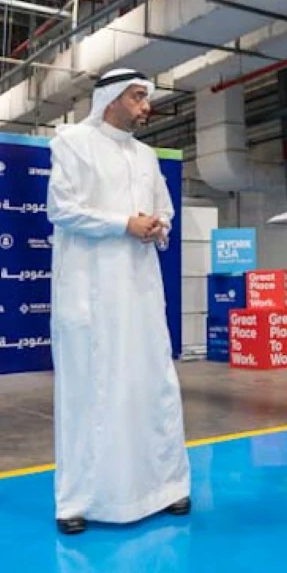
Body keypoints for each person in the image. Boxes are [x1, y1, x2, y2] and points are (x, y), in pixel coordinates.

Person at [46, 68, 190, 535]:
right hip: (90, 291)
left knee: (151, 384)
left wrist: (158, 226)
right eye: (137, 97)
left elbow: (164, 209)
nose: (146, 107)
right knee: (92, 390)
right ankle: (79, 500)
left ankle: (165, 487)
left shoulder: (146, 155)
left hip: (140, 290)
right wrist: (123, 224)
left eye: (146, 97)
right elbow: (61, 209)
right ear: (110, 98)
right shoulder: (72, 143)